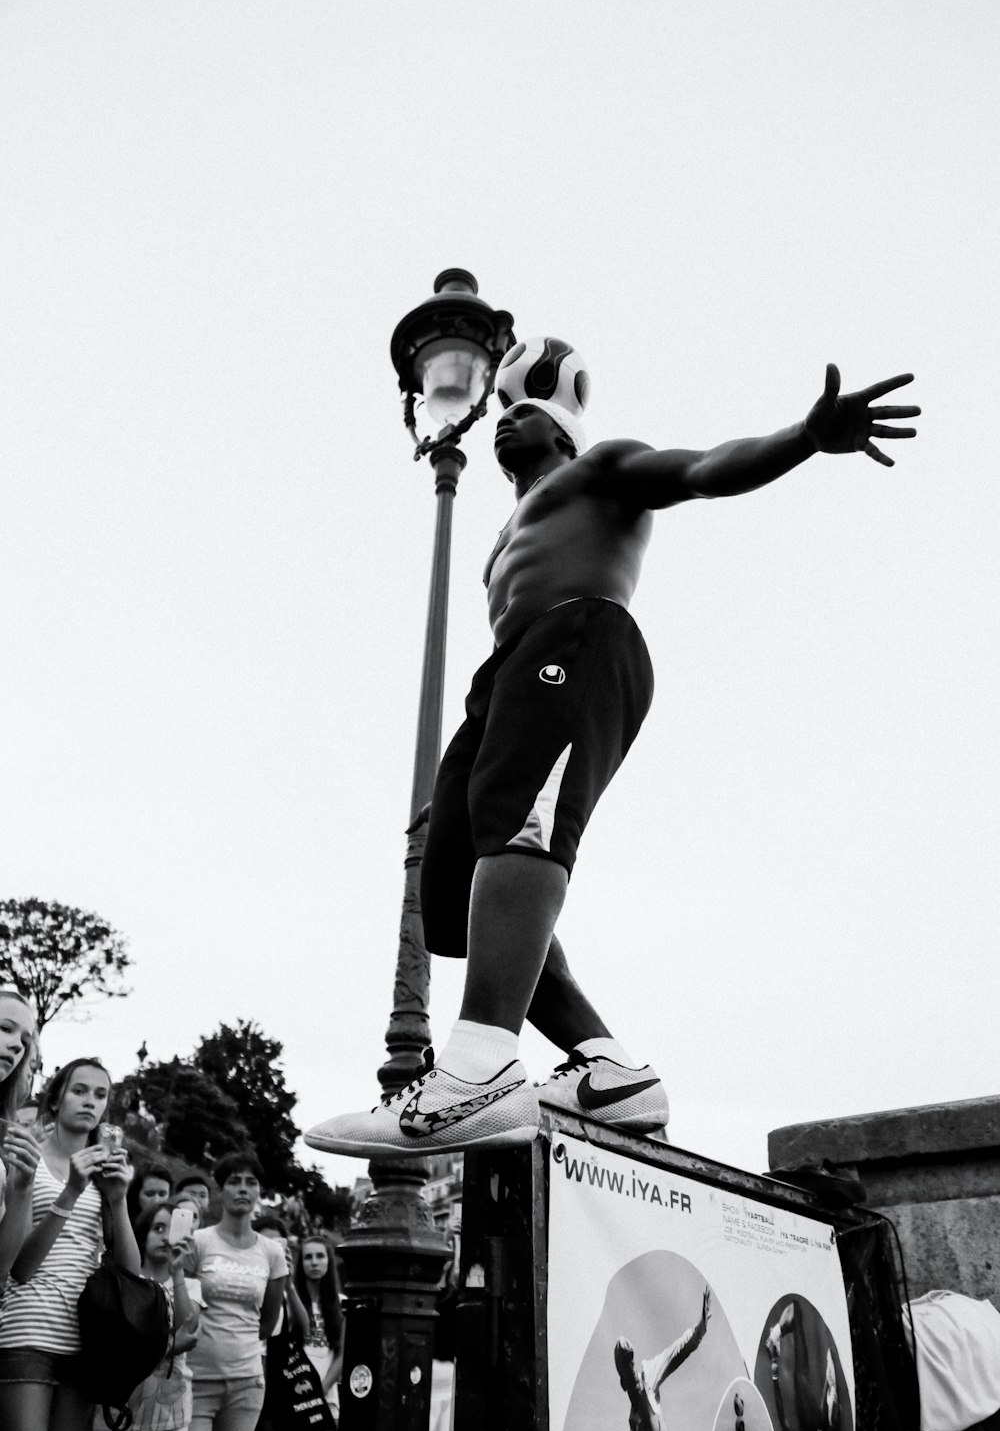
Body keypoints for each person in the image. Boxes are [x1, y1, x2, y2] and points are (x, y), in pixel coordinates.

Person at [306, 364, 920, 1159]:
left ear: (563, 430)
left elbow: (704, 469)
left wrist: (803, 438)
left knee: (525, 824)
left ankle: (477, 1066)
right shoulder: (511, 525)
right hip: (509, 671)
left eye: (520, 411)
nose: (501, 421)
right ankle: (611, 1069)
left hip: (582, 635)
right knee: (452, 883)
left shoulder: (601, 470)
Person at [0, 1056, 139, 1431]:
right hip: (27, 1333)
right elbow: (20, 1267)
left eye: (101, 1095)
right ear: (56, 1099)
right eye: (80, 1091)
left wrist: (117, 1200)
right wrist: (72, 1189)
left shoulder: (104, 1175)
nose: (90, 1102)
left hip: (84, 1341)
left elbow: (129, 1276)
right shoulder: (29, 1161)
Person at [177, 1153, 286, 1431]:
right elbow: (182, 1309)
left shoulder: (272, 1252)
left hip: (247, 1384)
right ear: (220, 1190)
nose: (242, 1189)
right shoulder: (199, 1242)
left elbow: (267, 1323)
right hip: (196, 1381)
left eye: (250, 1182)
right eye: (234, 1181)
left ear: (259, 1193)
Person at [86, 1200, 201, 1431]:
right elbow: (122, 1345)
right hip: (116, 1422)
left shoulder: (188, 1283)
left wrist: (177, 1273)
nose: (164, 1236)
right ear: (142, 1233)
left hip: (170, 1422)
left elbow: (188, 1330)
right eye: (157, 1228)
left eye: (170, 1228)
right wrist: (171, 1347)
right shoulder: (122, 1281)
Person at [252, 1215, 336, 1431]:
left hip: (287, 1387)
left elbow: (306, 1329)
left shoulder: (284, 1287)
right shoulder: (244, 1286)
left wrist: (286, 1283)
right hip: (255, 1387)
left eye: (277, 1245)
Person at [609, 1286, 712, 1431]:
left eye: (631, 1361)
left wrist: (699, 1331)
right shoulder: (635, 1427)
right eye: (626, 1366)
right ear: (623, 1384)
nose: (632, 1370)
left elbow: (675, 1353)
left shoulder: (648, 1376)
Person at [766, 1301, 842, 1431]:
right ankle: (790, 1322)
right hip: (815, 1421)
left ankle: (786, 1326)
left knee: (801, 1364)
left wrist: (775, 1378)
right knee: (828, 1430)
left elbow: (783, 1418)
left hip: (808, 1414)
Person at [0, 990, 41, 1282]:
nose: (17, 1046)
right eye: (5, 1029)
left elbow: (3, 1268)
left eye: (24, 1042)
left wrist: (22, 1187)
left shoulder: (6, 1140)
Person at [292, 1235, 344, 1420]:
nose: (314, 1262)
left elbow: (342, 1354)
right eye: (308, 1257)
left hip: (326, 1395)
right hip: (294, 1392)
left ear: (329, 1261)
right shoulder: (290, 1301)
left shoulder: (341, 1304)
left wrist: (324, 1387)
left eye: (320, 1256)